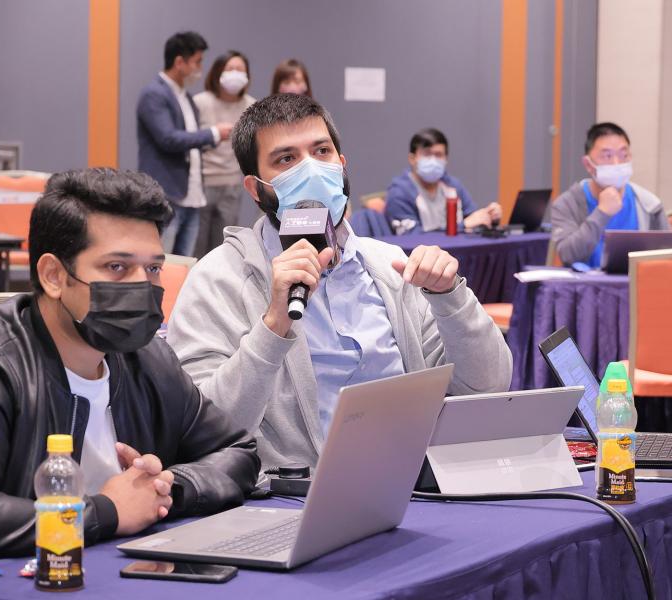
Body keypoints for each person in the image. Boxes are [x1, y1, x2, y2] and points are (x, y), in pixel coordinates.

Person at [166, 94, 512, 470]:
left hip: (412, 484)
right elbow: (203, 434)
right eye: (287, 159)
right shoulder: (218, 280)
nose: (311, 169)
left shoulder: (391, 266)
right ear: (256, 188)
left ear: (342, 165)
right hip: (293, 500)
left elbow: (488, 386)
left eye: (322, 151)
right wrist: (273, 326)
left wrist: (451, 299)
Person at [0, 168, 259, 559]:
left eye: (154, 268)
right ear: (54, 275)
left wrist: (165, 489)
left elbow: (238, 452)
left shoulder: (150, 359)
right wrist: (105, 513)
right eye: (117, 267)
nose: (143, 286)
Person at [137, 31, 234, 256]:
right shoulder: (154, 94)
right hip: (167, 196)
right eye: (197, 61)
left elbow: (189, 142)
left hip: (191, 197)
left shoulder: (186, 97)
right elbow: (168, 139)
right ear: (179, 62)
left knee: (182, 269)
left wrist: (214, 138)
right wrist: (212, 133)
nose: (200, 68)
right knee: (161, 264)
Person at [549, 122, 670, 268]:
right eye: (607, 156)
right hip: (585, 288)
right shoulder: (568, 204)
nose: (616, 163)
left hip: (636, 288)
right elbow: (569, 255)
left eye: (624, 155)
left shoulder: (648, 204)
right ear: (588, 165)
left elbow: (670, 255)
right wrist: (602, 213)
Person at [193, 50, 257, 257]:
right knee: (196, 245)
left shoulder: (250, 105)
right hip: (202, 184)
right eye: (230, 69)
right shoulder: (200, 102)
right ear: (218, 72)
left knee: (222, 248)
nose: (235, 74)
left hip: (232, 185)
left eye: (241, 70)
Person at [385, 128, 501, 235]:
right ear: (412, 158)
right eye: (427, 154)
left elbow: (473, 218)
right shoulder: (399, 193)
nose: (433, 160)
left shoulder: (453, 185)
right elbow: (412, 236)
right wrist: (463, 226)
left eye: (438, 155)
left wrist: (489, 217)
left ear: (446, 159)